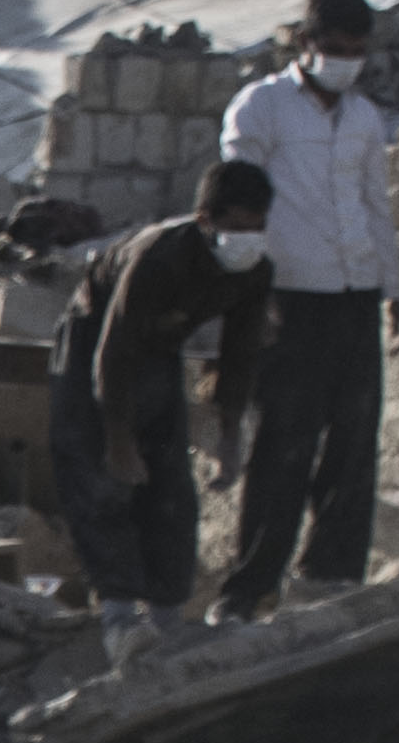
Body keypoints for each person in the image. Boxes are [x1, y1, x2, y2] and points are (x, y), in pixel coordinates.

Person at [211, 0, 399, 615]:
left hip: (355, 293)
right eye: (337, 49)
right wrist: (247, 289)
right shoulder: (262, 107)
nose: (347, 62)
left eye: (357, 51)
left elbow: (376, 205)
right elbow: (236, 197)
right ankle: (250, 588)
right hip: (289, 297)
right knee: (283, 444)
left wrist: (394, 288)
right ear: (308, 43)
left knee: (354, 442)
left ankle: (332, 578)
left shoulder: (365, 118)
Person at [45, 157, 276, 618]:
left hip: (161, 347)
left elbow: (240, 354)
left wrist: (230, 436)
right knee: (98, 475)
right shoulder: (158, 259)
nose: (248, 239)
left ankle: (167, 610)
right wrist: (119, 441)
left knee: (170, 484)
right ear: (206, 220)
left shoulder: (254, 271)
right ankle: (117, 611)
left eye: (258, 227)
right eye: (237, 228)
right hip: (95, 339)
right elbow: (114, 352)